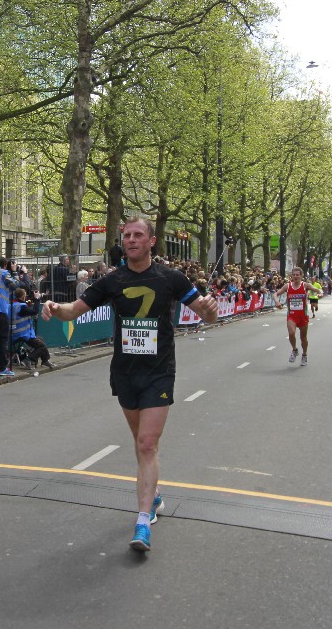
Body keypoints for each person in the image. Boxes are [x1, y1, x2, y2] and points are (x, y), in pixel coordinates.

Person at [42, 216, 217, 554]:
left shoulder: (171, 278)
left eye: (138, 235)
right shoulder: (113, 281)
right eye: (127, 236)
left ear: (152, 241)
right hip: (124, 371)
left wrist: (210, 310)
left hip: (159, 371)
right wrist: (54, 307)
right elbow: (72, 311)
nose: (131, 240)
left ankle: (142, 521)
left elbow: (206, 314)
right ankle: (154, 495)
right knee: (140, 442)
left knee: (148, 443)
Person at [274, 268, 312, 365]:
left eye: (297, 275)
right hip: (292, 315)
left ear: (301, 276)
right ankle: (295, 350)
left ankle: (304, 354)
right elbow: (275, 294)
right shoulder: (287, 286)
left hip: (303, 316)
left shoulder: (305, 285)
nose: (295, 276)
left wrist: (320, 292)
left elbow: (316, 289)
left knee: (303, 338)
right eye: (294, 275)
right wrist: (277, 301)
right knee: (291, 333)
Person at [10, 288, 53, 369]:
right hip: (22, 334)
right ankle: (28, 359)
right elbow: (34, 311)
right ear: (23, 296)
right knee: (41, 346)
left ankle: (45, 360)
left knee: (40, 339)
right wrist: (37, 299)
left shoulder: (12, 305)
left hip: (13, 334)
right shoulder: (21, 307)